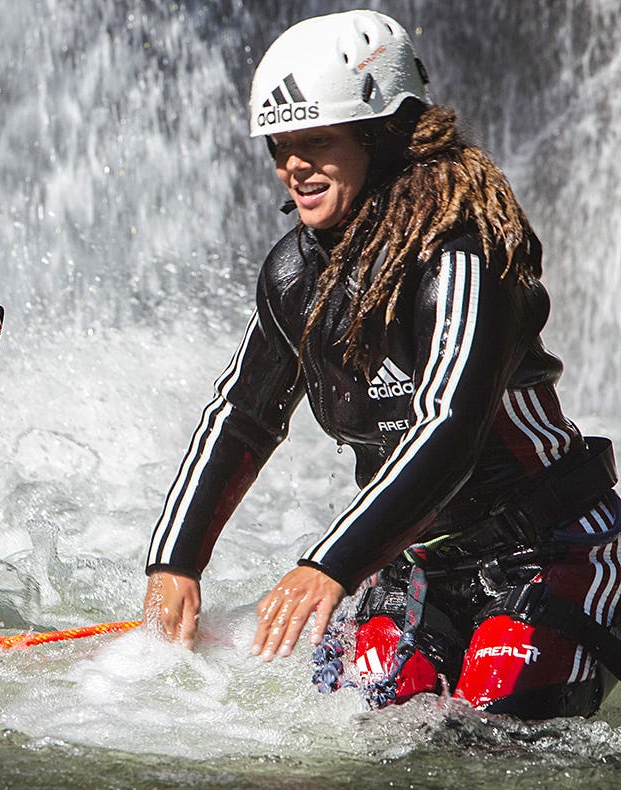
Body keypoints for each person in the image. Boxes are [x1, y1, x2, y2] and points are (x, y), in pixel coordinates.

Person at [143, 10, 621, 718]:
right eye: (281, 145)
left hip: (549, 548)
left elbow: (451, 426)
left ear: (382, 135)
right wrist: (175, 559)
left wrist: (325, 564)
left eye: (318, 141)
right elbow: (242, 417)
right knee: (367, 725)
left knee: (490, 737)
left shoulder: (462, 253)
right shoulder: (294, 277)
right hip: (410, 561)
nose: (293, 164)